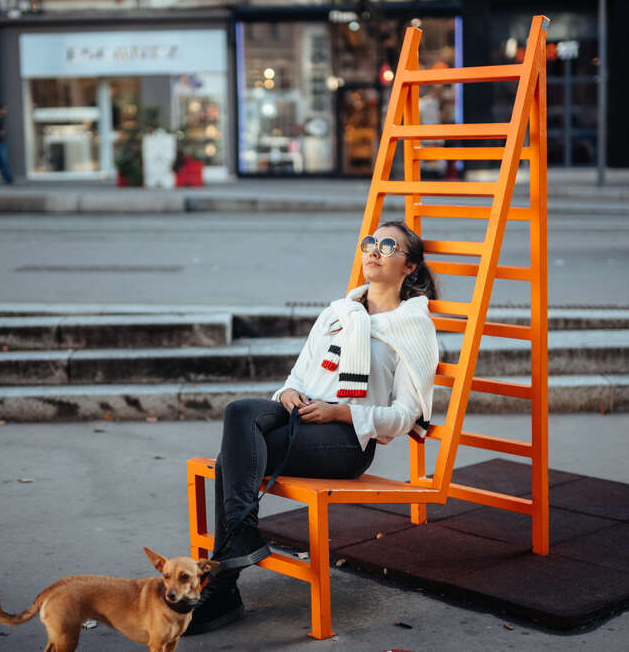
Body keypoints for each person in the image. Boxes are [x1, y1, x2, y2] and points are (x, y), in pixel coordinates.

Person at [186, 220, 440, 636]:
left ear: (409, 266)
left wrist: (342, 413)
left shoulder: (413, 330)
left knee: (229, 457)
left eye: (388, 245)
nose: (374, 250)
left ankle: (224, 586)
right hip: (300, 419)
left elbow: (406, 416)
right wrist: (288, 394)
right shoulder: (338, 313)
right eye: (370, 242)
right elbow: (298, 376)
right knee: (239, 412)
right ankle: (241, 541)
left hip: (346, 443)